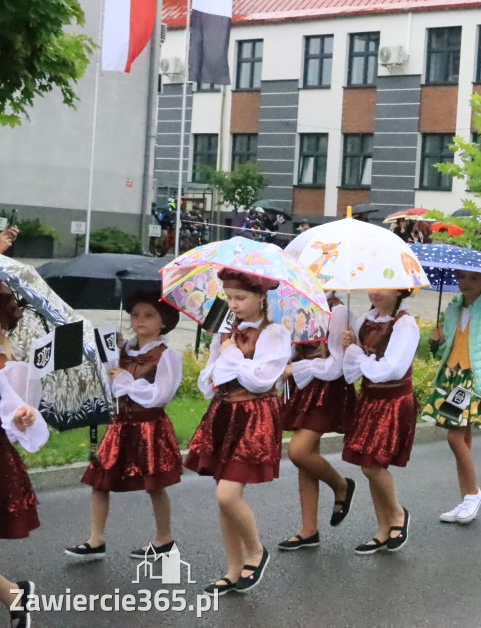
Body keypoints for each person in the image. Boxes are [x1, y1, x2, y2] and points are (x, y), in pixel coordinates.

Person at [185, 269, 289, 595]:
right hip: (223, 413)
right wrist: (221, 358)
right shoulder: (225, 332)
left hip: (255, 417)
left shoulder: (274, 334)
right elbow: (209, 380)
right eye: (229, 297)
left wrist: (230, 355)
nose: (234, 304)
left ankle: (256, 551)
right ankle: (232, 569)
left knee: (227, 494)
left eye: (241, 298)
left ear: (261, 298)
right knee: (225, 500)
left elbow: (261, 379)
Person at [66, 294, 184, 561]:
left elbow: (161, 395)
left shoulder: (166, 355)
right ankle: (96, 539)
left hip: (149, 425)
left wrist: (128, 381)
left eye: (149, 315)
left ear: (164, 321)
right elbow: (107, 385)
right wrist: (108, 357)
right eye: (136, 314)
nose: (140, 320)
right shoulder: (121, 350)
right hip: (121, 425)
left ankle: (164, 538)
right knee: (100, 480)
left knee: (154, 484)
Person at [423, 270, 481, 524]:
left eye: (473, 278)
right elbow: (443, 349)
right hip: (451, 377)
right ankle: (466, 499)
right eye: (461, 277)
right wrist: (435, 342)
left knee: (455, 437)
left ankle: (473, 494)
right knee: (463, 440)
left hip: (473, 383)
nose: (465, 283)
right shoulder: (451, 310)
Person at [277, 292, 357, 551]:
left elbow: (336, 365)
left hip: (326, 388)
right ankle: (308, 530)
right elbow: (293, 348)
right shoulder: (296, 306)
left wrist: (296, 369)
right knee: (307, 458)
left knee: (299, 452)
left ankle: (342, 485)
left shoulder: (337, 311)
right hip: (302, 387)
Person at [340, 289, 418, 553]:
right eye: (371, 284)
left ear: (399, 290)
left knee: (373, 465)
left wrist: (359, 357)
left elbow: (393, 368)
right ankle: (383, 528)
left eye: (382, 286)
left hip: (393, 401)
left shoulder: (404, 324)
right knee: (367, 463)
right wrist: (351, 345)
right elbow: (358, 363)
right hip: (370, 399)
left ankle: (397, 514)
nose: (374, 291)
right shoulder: (365, 320)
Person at [0, 284, 47, 628]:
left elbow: (14, 408)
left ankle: (14, 595)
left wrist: (20, 415)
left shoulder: (6, 361)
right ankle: (14, 594)